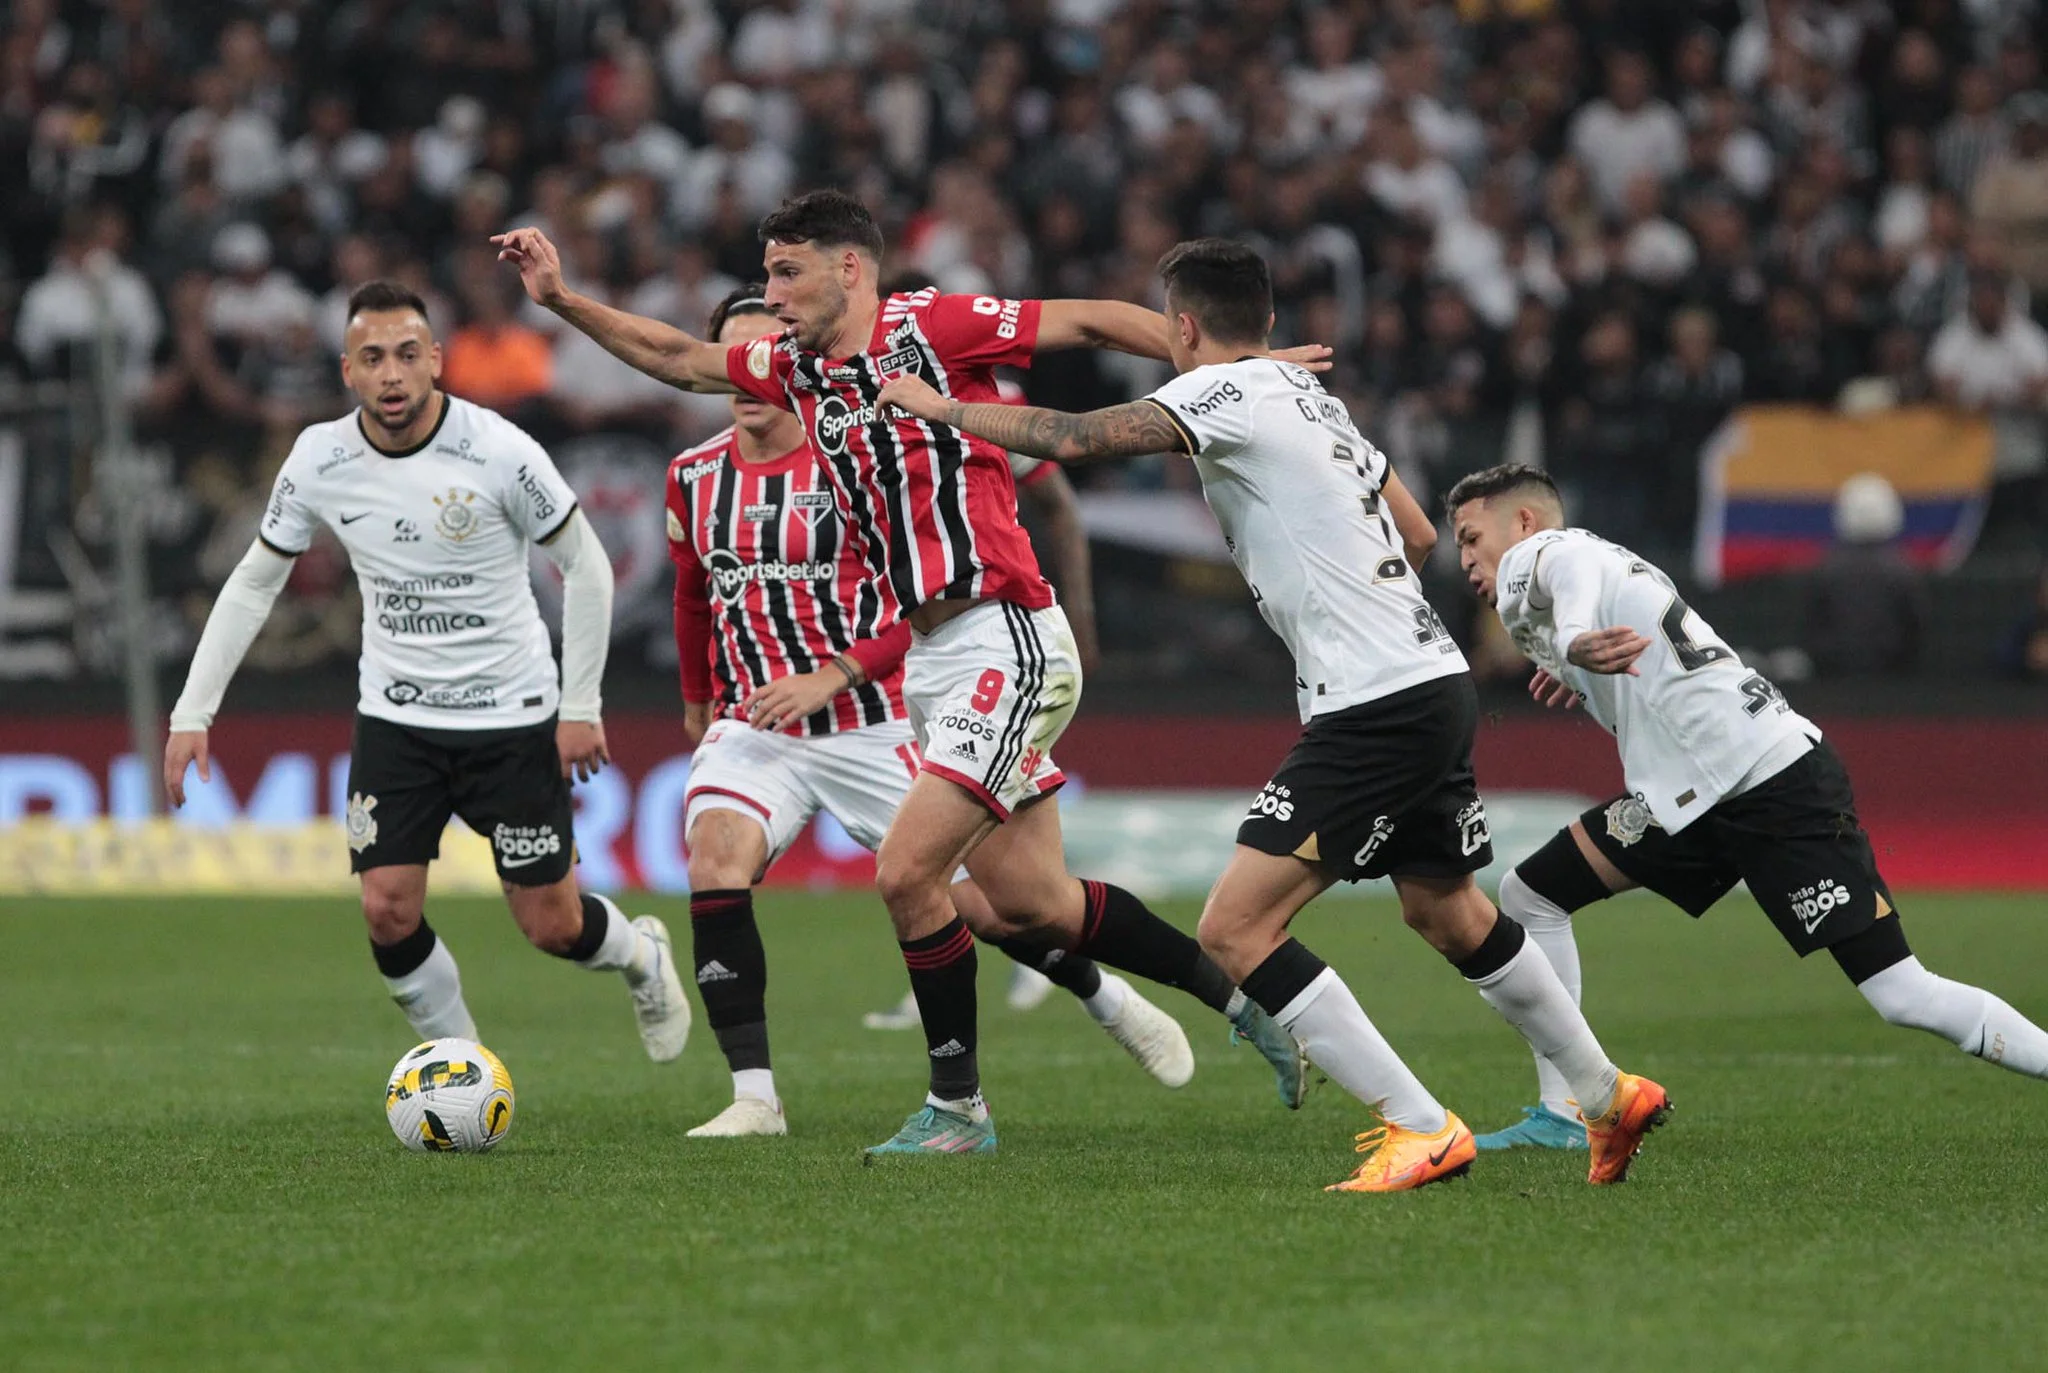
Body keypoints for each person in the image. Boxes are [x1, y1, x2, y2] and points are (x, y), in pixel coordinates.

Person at [497, 193, 1310, 1156]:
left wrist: (1227, 375)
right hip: (934, 660)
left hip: (1005, 633)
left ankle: (959, 1109)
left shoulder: (932, 325)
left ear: (850, 268)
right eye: (766, 274)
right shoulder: (794, 368)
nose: (772, 293)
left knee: (906, 872)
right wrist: (560, 300)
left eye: (786, 272)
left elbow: (1088, 320)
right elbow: (679, 356)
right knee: (1034, 903)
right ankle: (1244, 999)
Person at [874, 238, 1668, 1192]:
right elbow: (1418, 535)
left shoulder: (1225, 393)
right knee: (1447, 908)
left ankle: (1418, 1125)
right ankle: (1604, 1089)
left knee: (1234, 928)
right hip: (1430, 676)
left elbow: (1078, 439)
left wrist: (939, 407)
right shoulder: (1312, 398)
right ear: (1272, 324)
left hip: (1372, 702)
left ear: (1182, 327)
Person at [670, 285, 1197, 1137]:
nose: (747, 373)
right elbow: (694, 595)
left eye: (764, 348)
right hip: (759, 726)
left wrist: (835, 673)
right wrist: (699, 700)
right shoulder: (693, 476)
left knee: (996, 905)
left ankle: (1103, 992)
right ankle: (754, 1098)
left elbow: (911, 596)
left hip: (874, 716)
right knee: (713, 859)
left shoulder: (852, 450)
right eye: (734, 355)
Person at [163, 281, 690, 1068]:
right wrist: (191, 713)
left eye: (408, 354)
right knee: (386, 909)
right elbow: (252, 582)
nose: (392, 373)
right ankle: (461, 1068)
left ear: (436, 361)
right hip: (398, 718)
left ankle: (641, 956)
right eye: (372, 357)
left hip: (511, 716)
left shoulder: (498, 449)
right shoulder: (321, 458)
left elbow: (589, 566)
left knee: (552, 923)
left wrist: (580, 703)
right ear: (348, 371)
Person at [1448, 463, 2048, 1152]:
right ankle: (1566, 1111)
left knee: (1902, 993)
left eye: (1471, 536)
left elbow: (1566, 577)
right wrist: (1575, 663)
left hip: (1770, 786)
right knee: (1532, 894)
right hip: (1691, 799)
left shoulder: (1545, 552)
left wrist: (1577, 639)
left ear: (1522, 522)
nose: (1464, 558)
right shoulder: (1611, 560)